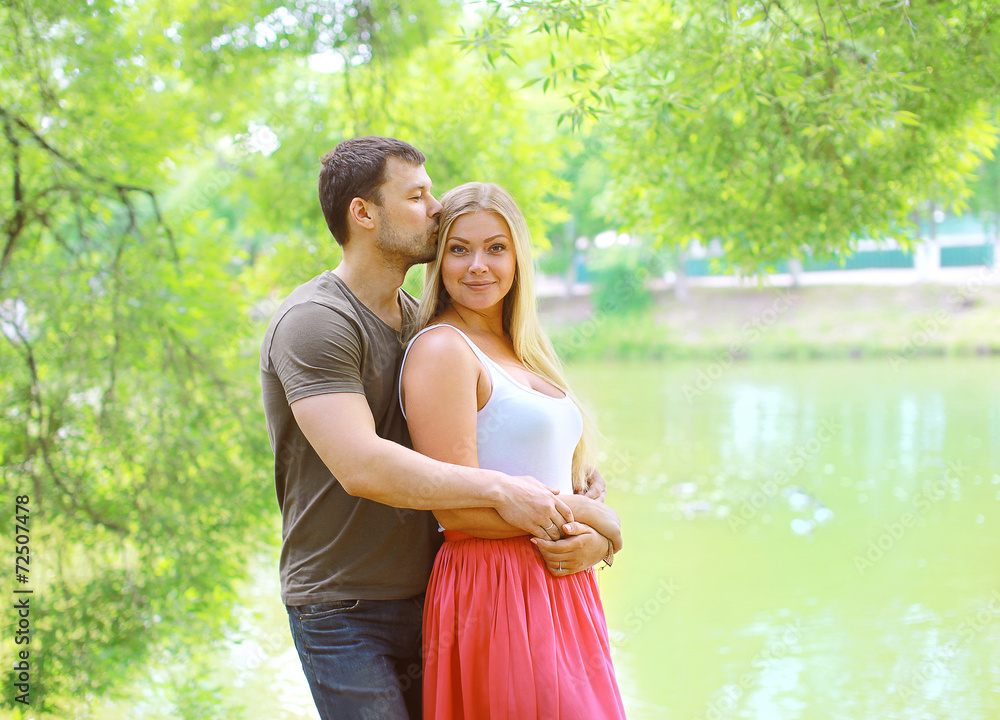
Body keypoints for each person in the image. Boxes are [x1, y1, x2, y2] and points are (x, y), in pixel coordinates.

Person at [259, 137, 605, 720]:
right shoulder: (316, 322)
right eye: (418, 195)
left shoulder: (422, 324)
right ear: (364, 213)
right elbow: (362, 466)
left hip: (436, 591)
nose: (436, 207)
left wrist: (594, 531)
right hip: (344, 606)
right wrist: (505, 492)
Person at [399, 182, 627, 719]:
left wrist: (595, 538)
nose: (478, 265)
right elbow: (453, 507)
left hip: (561, 585)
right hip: (495, 590)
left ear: (518, 258)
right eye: (459, 249)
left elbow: (554, 474)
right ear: (438, 260)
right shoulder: (442, 349)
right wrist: (594, 516)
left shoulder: (523, 351)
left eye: (496, 248)